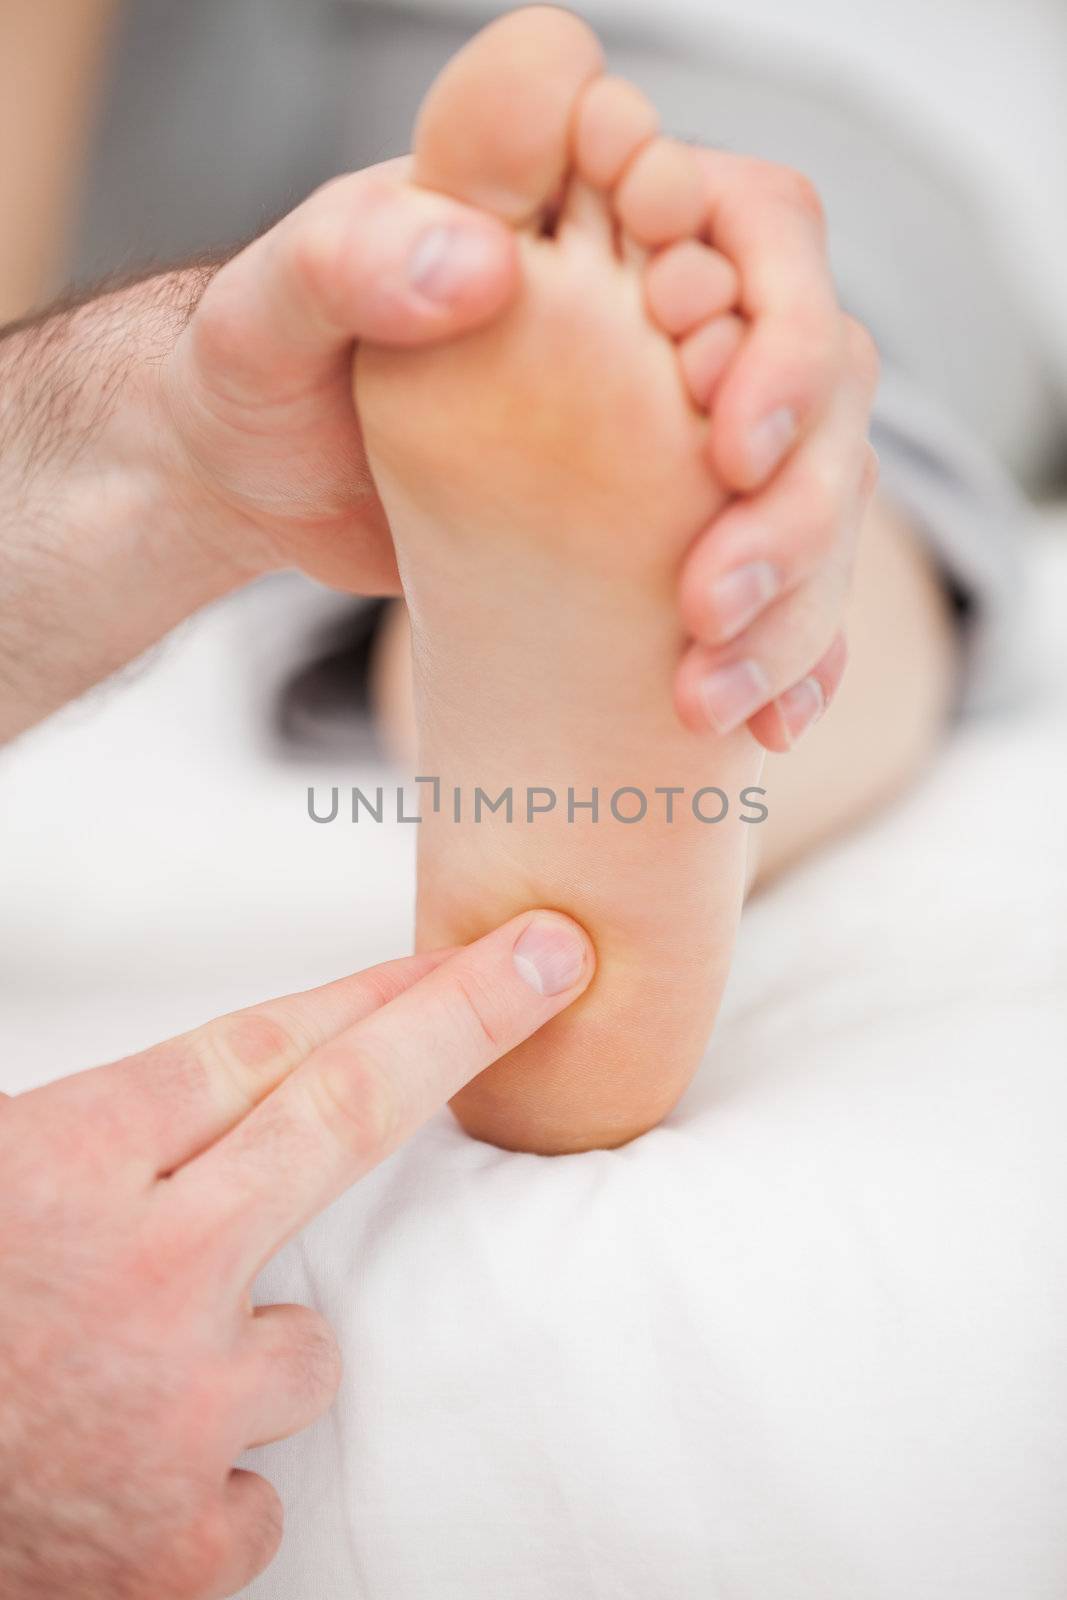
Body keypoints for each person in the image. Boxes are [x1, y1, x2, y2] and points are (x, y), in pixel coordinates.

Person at [0, 15, 881, 1593]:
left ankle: (647, 597)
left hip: (252, 105)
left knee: (791, 399)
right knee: (768, 433)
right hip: (208, 186)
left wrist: (122, 434)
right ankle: (636, 653)